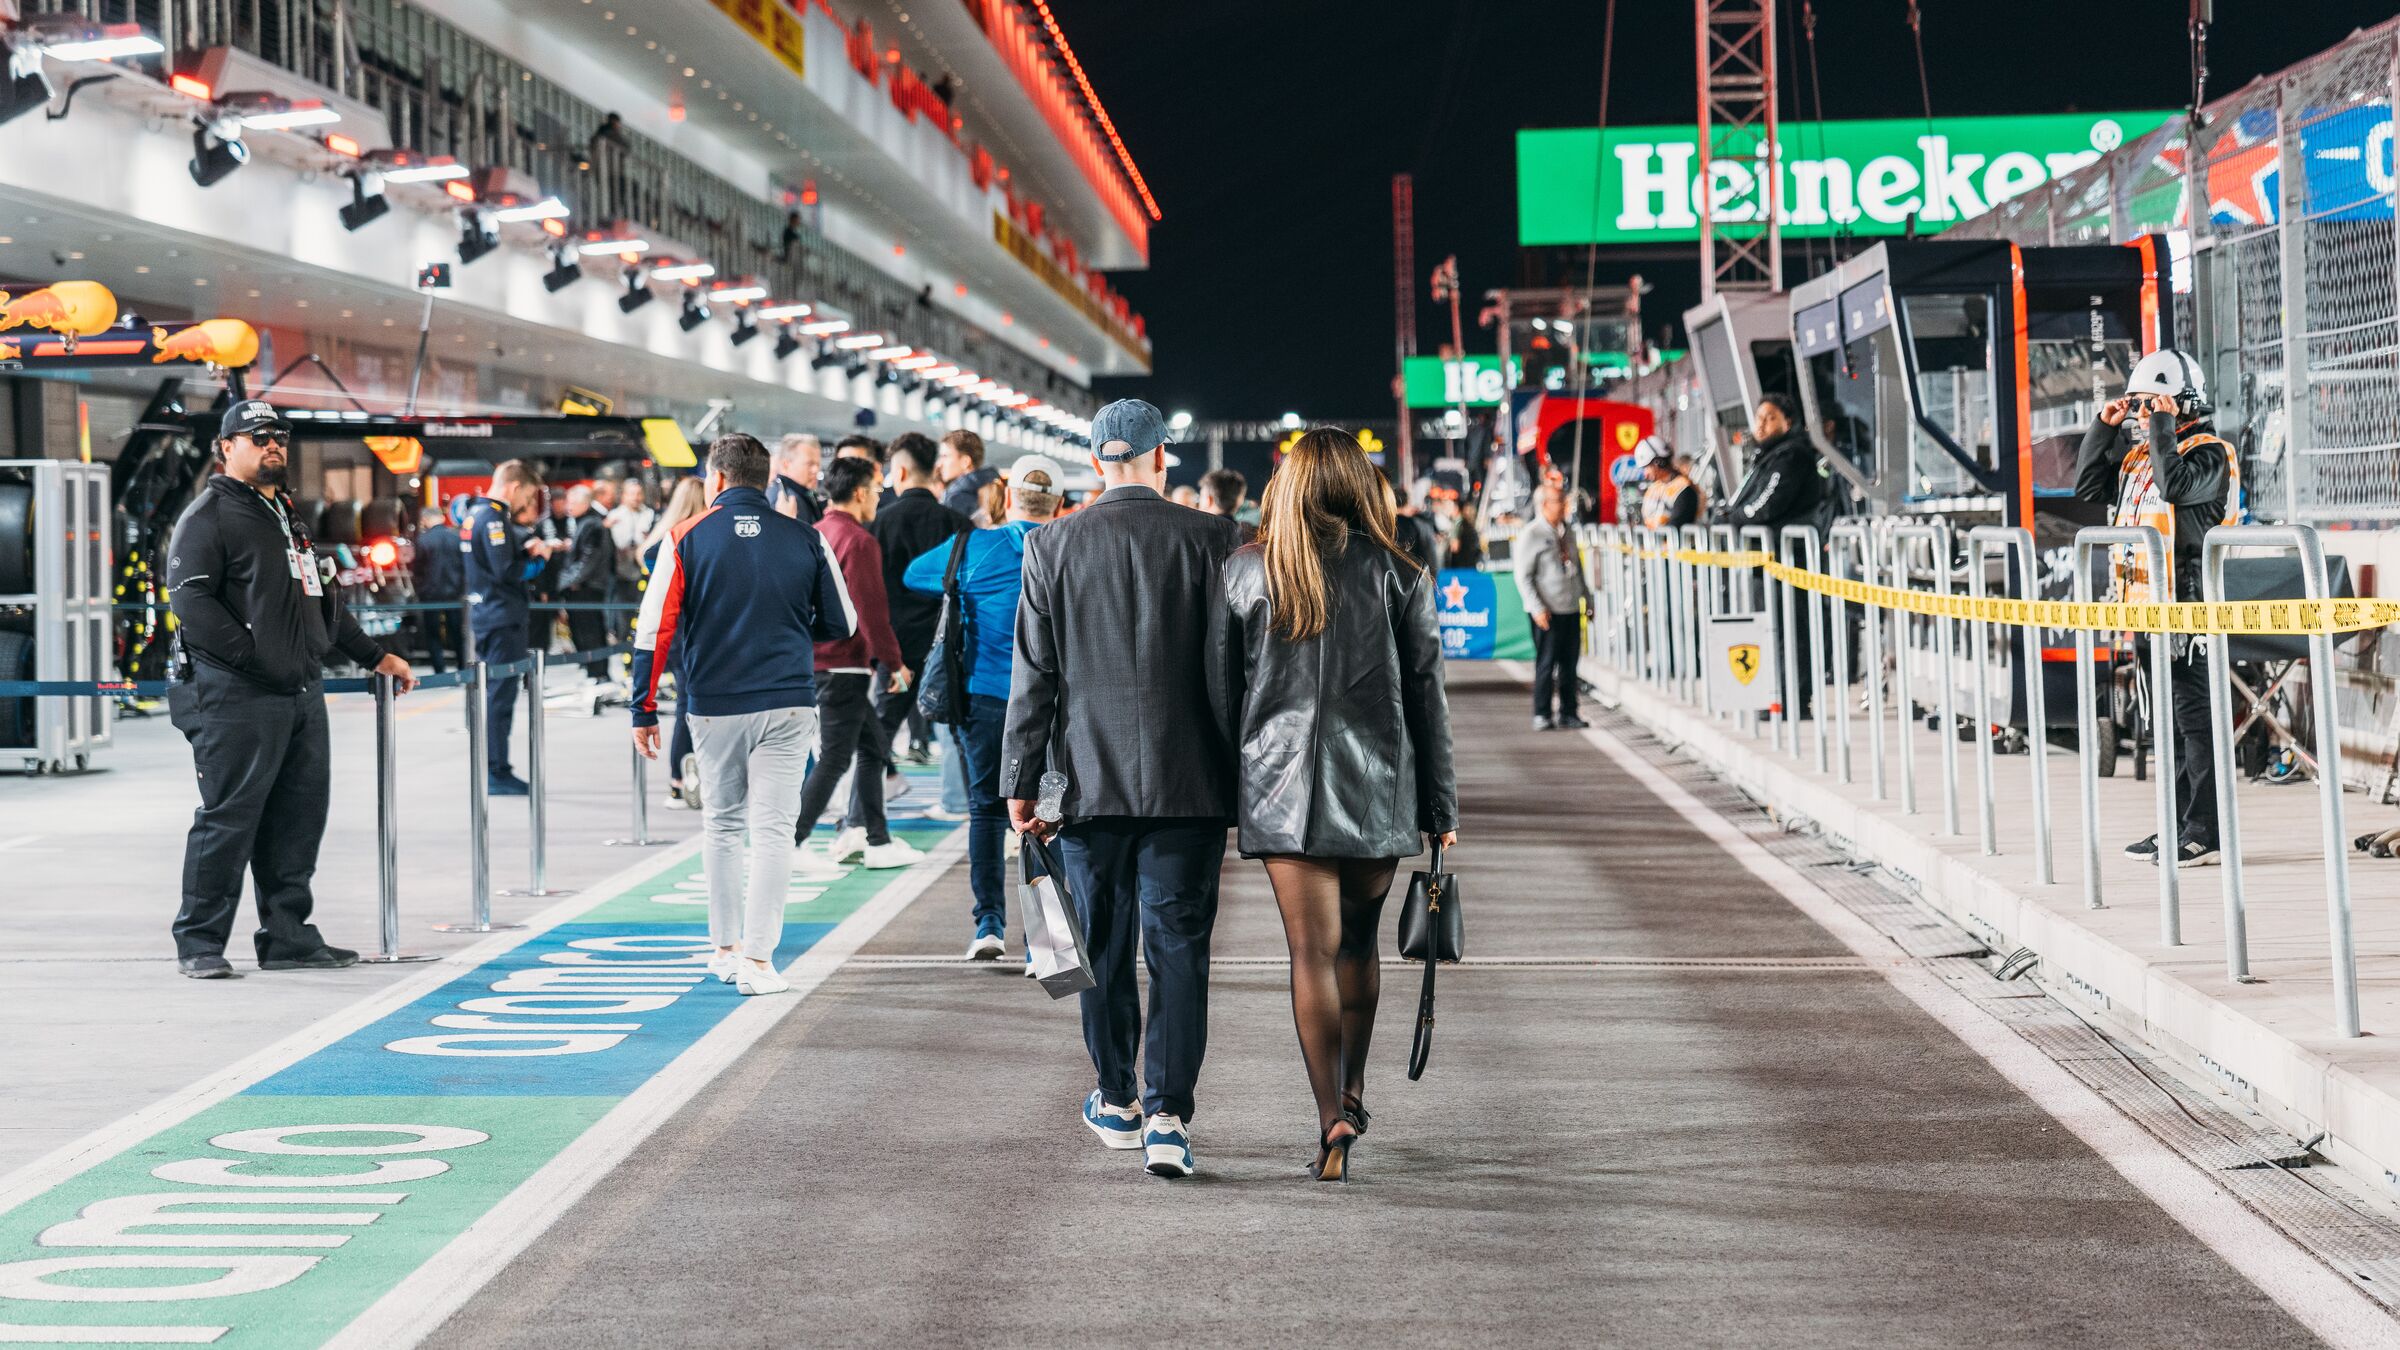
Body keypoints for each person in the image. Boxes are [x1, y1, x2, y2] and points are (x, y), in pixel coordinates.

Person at [1208, 428, 1456, 1181]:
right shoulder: (1400, 572)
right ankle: (1355, 1089)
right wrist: (1440, 807)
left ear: (1286, 486)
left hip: (1283, 792)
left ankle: (1330, 1117)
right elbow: (1428, 703)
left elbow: (1223, 697)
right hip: (1378, 791)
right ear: (1357, 483)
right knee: (1359, 950)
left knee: (1308, 954)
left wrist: (1242, 774)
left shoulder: (1247, 572)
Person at [1002, 397, 1241, 1179]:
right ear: (1161, 457)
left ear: (1097, 460)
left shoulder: (1051, 543)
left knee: (1098, 948)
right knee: (1179, 949)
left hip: (1086, 786)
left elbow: (1034, 677)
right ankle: (1169, 1114)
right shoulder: (1214, 539)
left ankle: (1116, 1097)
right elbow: (1234, 672)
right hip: (1190, 783)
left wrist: (1021, 779)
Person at [164, 400, 420, 978]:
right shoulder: (209, 517)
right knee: (230, 818)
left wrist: (376, 656)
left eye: (278, 436)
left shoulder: (287, 516)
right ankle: (199, 943)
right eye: (257, 437)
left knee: (298, 819)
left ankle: (287, 938)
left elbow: (324, 601)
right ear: (226, 448)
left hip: (300, 691)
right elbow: (192, 603)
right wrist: (255, 661)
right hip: (234, 695)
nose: (272, 444)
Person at [632, 434, 855, 995]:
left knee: (723, 824)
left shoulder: (683, 538)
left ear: (717, 480)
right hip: (788, 700)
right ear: (767, 481)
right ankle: (759, 962)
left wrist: (642, 707)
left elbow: (653, 628)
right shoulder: (805, 537)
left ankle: (725, 949)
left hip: (714, 705)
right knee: (775, 830)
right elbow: (843, 623)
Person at [2077, 350, 2238, 869]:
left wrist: (2163, 425)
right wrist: (2104, 430)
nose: (2142, 415)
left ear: (2180, 403)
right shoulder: (2142, 456)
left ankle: (2205, 832)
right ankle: (2176, 825)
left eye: (2152, 404)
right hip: (2146, 611)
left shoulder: (2211, 454)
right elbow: (2088, 488)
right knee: (2164, 722)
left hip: (2190, 609)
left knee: (2196, 721)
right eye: (2140, 406)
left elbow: (2177, 489)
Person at [907, 454, 1064, 959]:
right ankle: (1043, 943)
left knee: (985, 811)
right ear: (1059, 502)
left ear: (1010, 495)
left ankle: (988, 927)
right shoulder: (1070, 546)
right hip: (1056, 705)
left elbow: (916, 575)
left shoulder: (972, 547)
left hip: (985, 697)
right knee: (1049, 815)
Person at [792, 457, 922, 871]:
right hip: (844, 665)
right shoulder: (859, 541)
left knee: (874, 748)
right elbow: (871, 612)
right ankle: (790, 843)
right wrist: (895, 663)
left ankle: (876, 840)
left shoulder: (813, 533)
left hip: (816, 662)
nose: (880, 496)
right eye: (878, 488)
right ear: (862, 492)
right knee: (835, 758)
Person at [866, 432, 967, 783]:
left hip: (898, 652)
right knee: (960, 737)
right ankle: (976, 815)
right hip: (948, 650)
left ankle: (863, 821)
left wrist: (881, 656)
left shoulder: (880, 525)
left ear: (902, 472)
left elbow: (872, 595)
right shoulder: (958, 525)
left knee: (879, 735)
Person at [462, 461, 559, 796]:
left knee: (495, 694)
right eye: (528, 495)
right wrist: (540, 559)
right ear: (514, 487)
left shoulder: (475, 514)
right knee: (500, 697)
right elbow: (506, 571)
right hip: (502, 617)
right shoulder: (493, 518)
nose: (525, 505)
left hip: (489, 614)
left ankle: (493, 767)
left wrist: (521, 547)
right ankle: (495, 771)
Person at [1726, 392, 1824, 719]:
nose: (1763, 424)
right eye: (1759, 418)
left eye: (1771, 417)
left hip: (1788, 559)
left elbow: (1766, 505)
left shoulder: (1792, 455)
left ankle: (1794, 701)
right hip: (1768, 561)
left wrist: (1733, 518)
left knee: (1790, 630)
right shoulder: (1767, 456)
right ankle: (1775, 697)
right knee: (1771, 629)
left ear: (1788, 422)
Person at [643, 477, 709, 809]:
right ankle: (681, 781)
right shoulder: (695, 541)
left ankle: (679, 781)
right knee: (690, 708)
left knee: (687, 706)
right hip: (693, 636)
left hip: (673, 636)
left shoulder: (661, 543)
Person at [1518, 482, 1592, 731]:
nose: (1565, 506)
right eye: (1559, 501)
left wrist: (1587, 599)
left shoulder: (1567, 532)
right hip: (1546, 612)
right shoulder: (1532, 534)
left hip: (1570, 608)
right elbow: (1523, 576)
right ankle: (1542, 713)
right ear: (1545, 505)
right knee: (1546, 664)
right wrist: (1536, 607)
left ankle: (1569, 712)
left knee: (1570, 664)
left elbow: (1578, 569)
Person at [557, 484, 614, 681]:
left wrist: (570, 581)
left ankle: (598, 674)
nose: (568, 507)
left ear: (584, 503)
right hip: (585, 585)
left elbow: (589, 559)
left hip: (587, 588)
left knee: (590, 633)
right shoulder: (587, 523)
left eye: (572, 502)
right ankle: (596, 673)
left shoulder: (591, 524)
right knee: (586, 632)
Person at [411, 506, 464, 673]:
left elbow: (417, 568)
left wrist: (420, 588)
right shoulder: (456, 538)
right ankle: (462, 667)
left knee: (432, 633)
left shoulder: (423, 540)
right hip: (454, 593)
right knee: (457, 632)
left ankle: (439, 670)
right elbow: (464, 566)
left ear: (426, 519)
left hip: (430, 594)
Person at [1637, 437, 1702, 529]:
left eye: (1647, 467)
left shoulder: (1684, 489)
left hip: (1670, 543)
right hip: (1653, 542)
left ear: (1658, 462)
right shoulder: (1654, 488)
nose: (1645, 474)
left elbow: (1676, 525)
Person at [938, 429, 1000, 523]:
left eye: (945, 456)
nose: (939, 464)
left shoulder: (955, 500)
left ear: (965, 462)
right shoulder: (994, 491)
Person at [1384, 479, 1441, 574]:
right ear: (1407, 503)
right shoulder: (1422, 524)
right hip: (1418, 579)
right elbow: (1431, 559)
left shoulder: (1385, 525)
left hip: (1393, 579)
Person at [768, 432, 824, 524]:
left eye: (818, 464)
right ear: (786, 465)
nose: (816, 470)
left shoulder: (803, 495)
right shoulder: (781, 500)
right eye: (810, 464)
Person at [1198, 468, 1257, 544]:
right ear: (1239, 501)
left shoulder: (1197, 535)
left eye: (1201, 497)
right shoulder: (1250, 536)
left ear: (1208, 500)